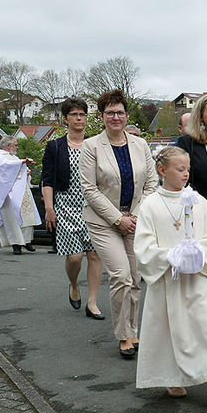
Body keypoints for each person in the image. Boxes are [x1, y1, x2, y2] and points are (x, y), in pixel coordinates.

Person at [133, 146, 207, 404]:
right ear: (162, 170)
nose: (186, 174)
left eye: (188, 169)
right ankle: (172, 378)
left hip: (197, 279)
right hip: (168, 280)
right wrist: (172, 256)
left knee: (205, 329)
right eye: (180, 169)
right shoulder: (150, 205)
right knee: (168, 331)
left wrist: (198, 252)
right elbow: (143, 247)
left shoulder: (198, 202)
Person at [80, 89, 158, 359]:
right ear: (102, 116)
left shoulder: (141, 145)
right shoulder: (91, 147)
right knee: (121, 276)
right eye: (110, 113)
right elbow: (89, 190)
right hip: (103, 221)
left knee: (136, 277)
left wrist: (135, 214)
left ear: (126, 115)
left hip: (135, 219)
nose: (116, 117)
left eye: (120, 112)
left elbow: (151, 183)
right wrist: (118, 218)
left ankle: (133, 328)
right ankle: (123, 334)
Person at [42, 97, 105, 317]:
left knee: (95, 255)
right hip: (66, 205)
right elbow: (47, 179)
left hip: (93, 205)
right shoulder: (55, 146)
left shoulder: (95, 144)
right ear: (66, 119)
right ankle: (74, 284)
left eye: (82, 114)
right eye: (74, 115)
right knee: (75, 257)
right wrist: (50, 208)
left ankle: (93, 302)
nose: (79, 118)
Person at [0, 135, 40, 255]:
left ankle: (26, 241)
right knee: (12, 221)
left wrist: (26, 172)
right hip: (7, 195)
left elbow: (17, 171)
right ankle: (16, 244)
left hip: (21, 192)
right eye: (15, 145)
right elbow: (5, 168)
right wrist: (22, 162)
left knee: (27, 216)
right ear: (7, 146)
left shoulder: (14, 157)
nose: (17, 147)